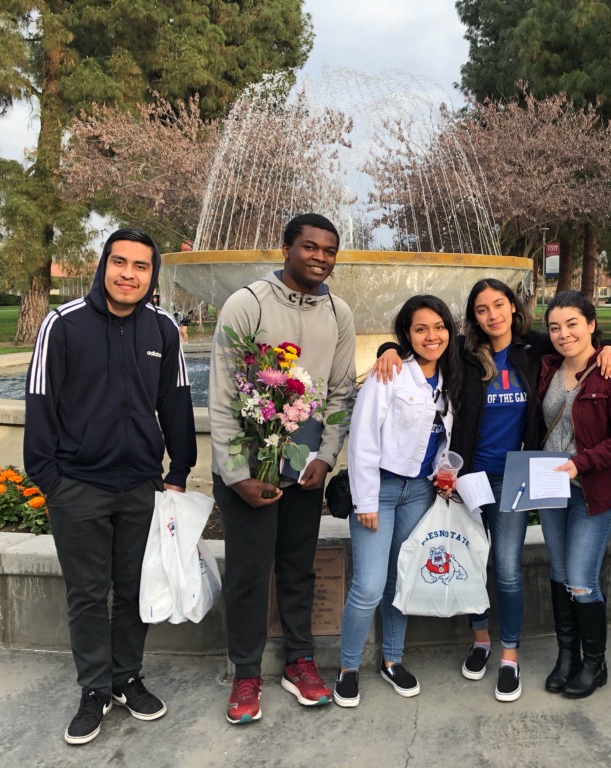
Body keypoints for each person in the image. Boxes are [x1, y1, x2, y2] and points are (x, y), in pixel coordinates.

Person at [371, 279, 611, 702]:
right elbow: (419, 349)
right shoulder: (463, 354)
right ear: (474, 316)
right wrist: (387, 351)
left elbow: (577, 340)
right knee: (469, 559)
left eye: (499, 305)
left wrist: (610, 345)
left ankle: (509, 654)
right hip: (467, 477)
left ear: (512, 307)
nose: (492, 315)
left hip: (514, 479)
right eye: (483, 309)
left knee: (506, 567)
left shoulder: (535, 346)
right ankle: (481, 639)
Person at [24, 228, 196, 745]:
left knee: (134, 592)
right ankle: (94, 689)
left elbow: (178, 402)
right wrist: (51, 481)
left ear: (152, 275)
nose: (128, 274)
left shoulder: (163, 329)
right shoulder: (63, 324)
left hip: (141, 486)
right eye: (119, 262)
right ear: (103, 265)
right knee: (86, 595)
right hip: (77, 486)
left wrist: (178, 471)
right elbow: (39, 401)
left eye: (140, 266)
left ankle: (126, 678)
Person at [208, 213, 357, 724]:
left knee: (298, 570)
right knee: (250, 575)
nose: (320, 257)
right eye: (310, 247)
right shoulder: (247, 304)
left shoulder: (339, 312)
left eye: (329, 250)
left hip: (304, 473)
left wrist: (324, 457)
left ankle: (300, 662)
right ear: (287, 247)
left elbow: (339, 392)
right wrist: (236, 475)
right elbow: (224, 394)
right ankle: (247, 672)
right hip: (248, 475)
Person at [333, 295, 460, 707]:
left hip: (420, 492)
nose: (431, 336)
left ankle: (392, 660)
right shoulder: (389, 374)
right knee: (369, 586)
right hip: (381, 491)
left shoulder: (450, 378)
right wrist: (365, 500)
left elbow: (444, 438)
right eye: (420, 328)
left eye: (439, 327)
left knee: (400, 579)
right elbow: (363, 440)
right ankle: (348, 666)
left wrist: (444, 474)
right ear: (406, 333)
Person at [536, 290, 611, 699]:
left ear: (592, 324)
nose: (563, 334)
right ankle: (567, 657)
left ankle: (595, 664)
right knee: (560, 574)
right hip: (550, 488)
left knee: (581, 580)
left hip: (592, 492)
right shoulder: (547, 368)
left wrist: (583, 462)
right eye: (555, 327)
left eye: (572, 324)